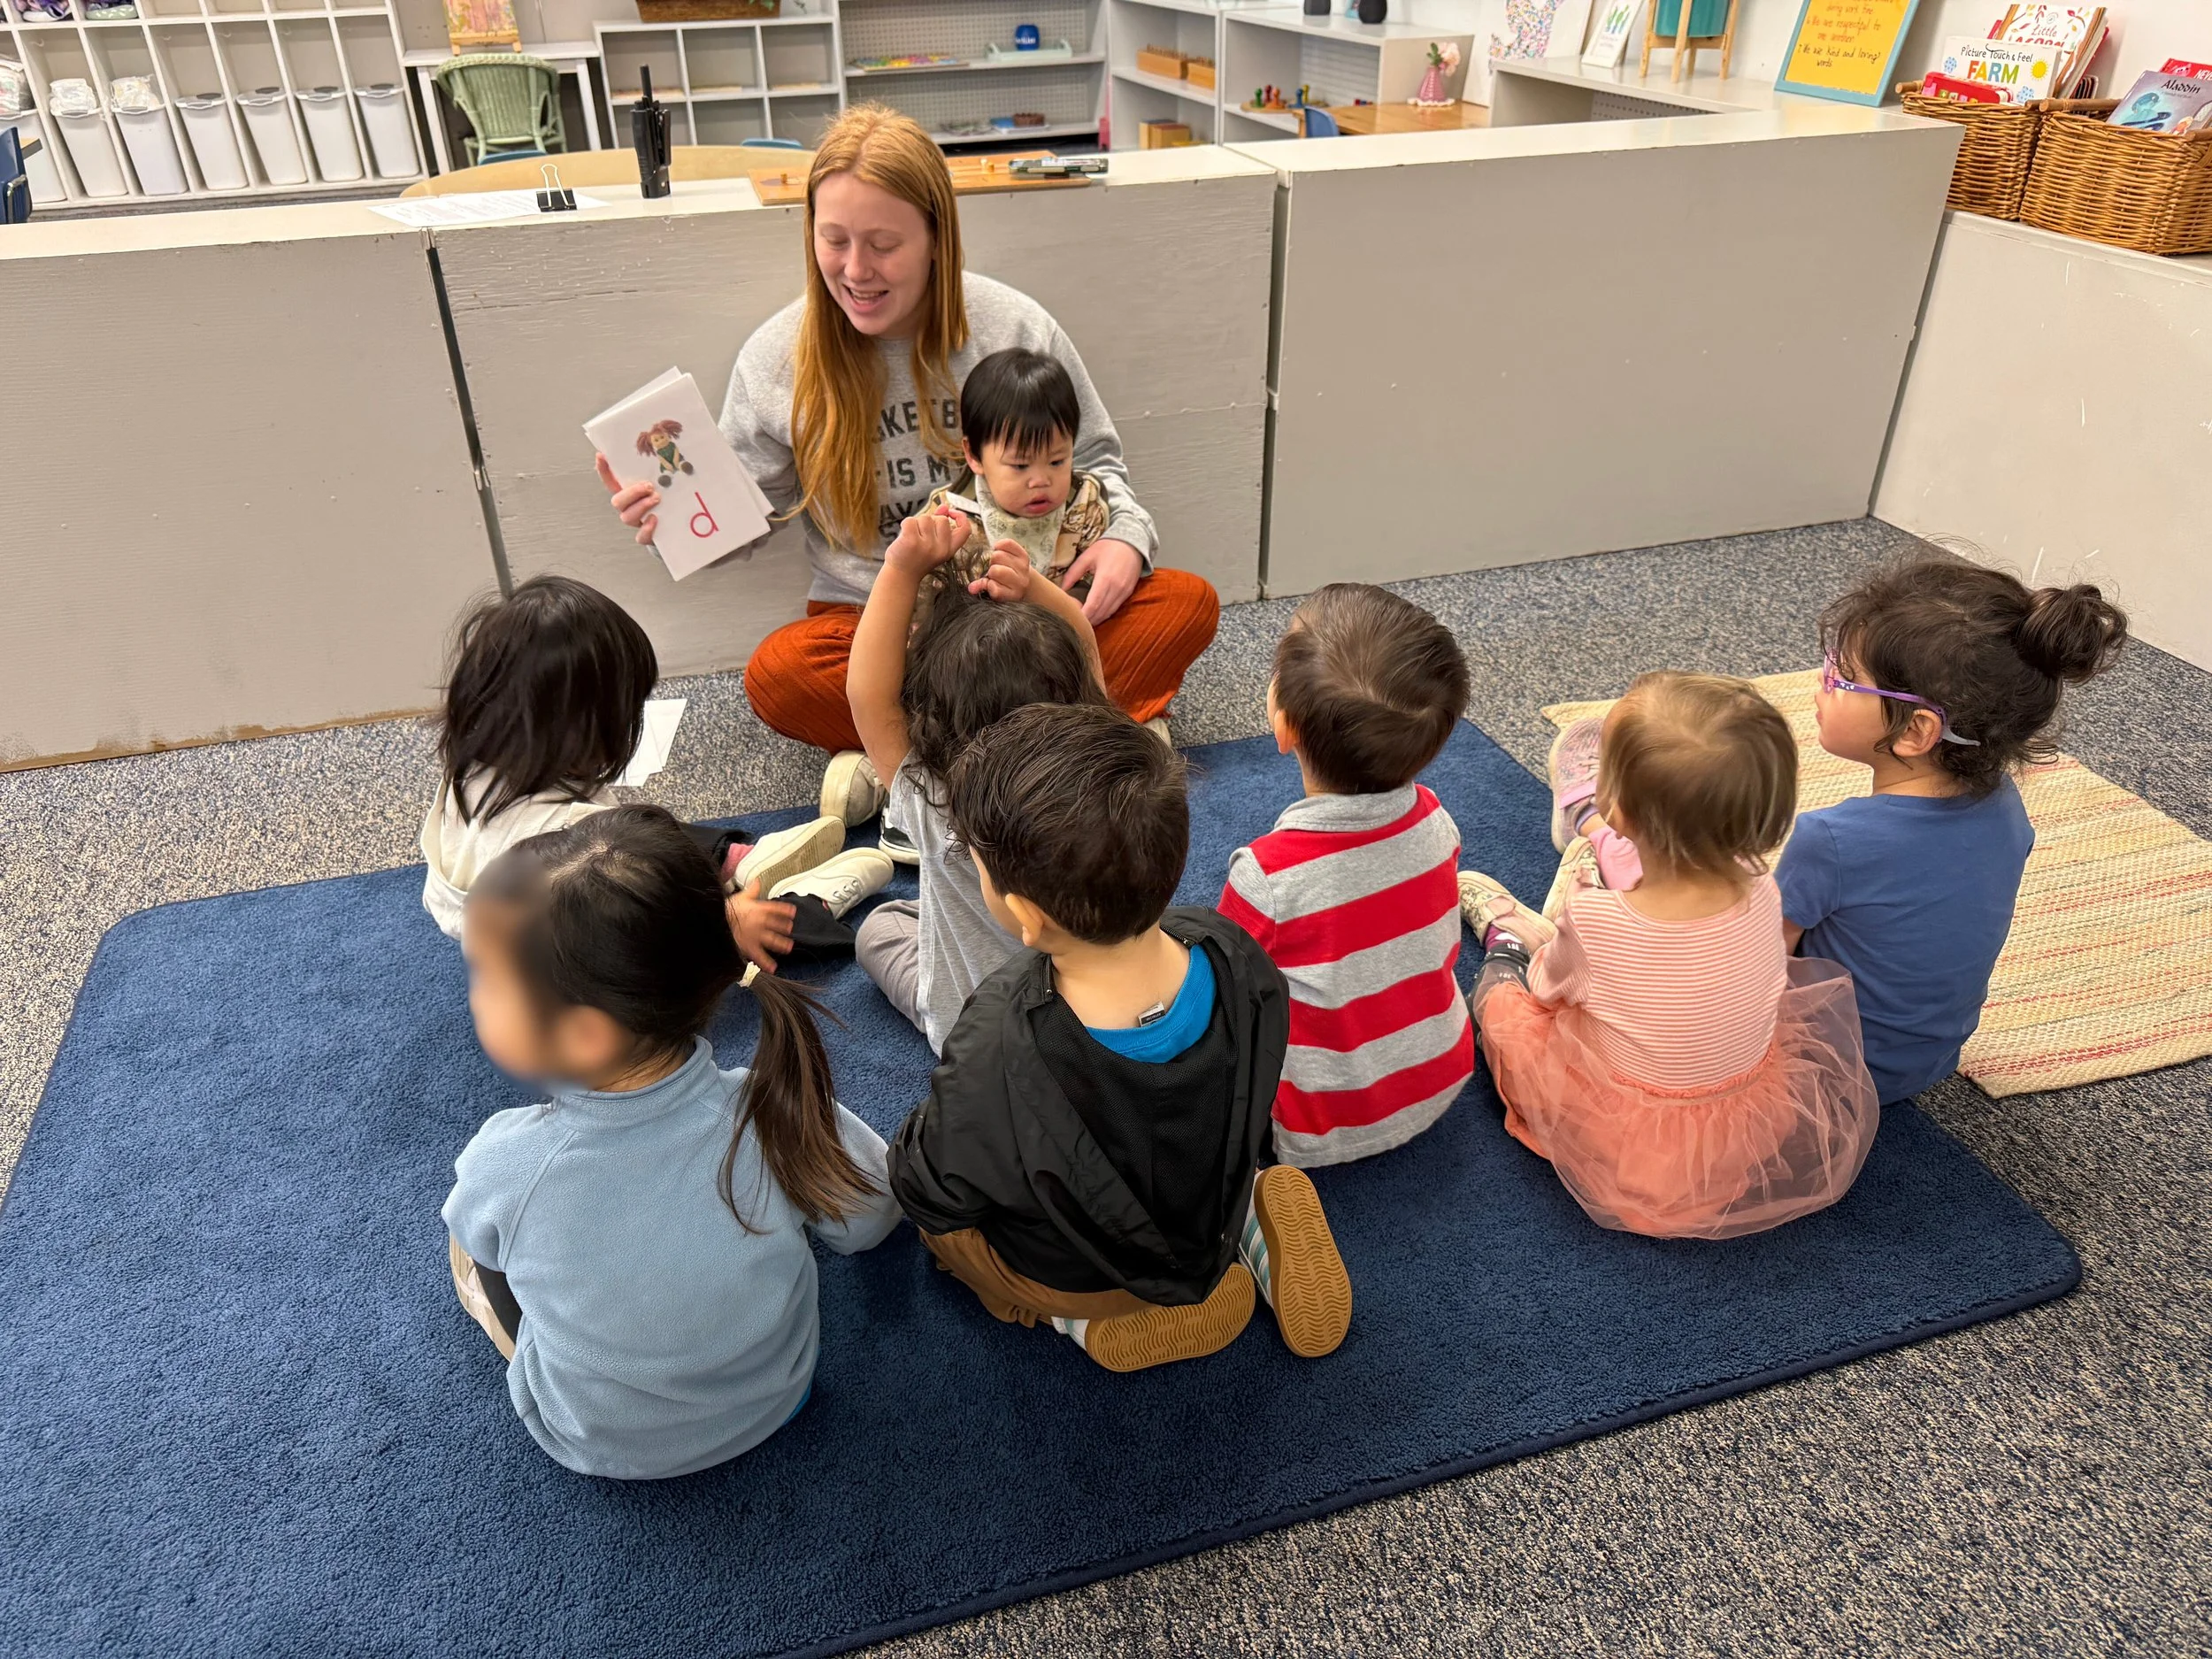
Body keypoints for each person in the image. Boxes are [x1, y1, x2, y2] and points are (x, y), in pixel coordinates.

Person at [595, 105, 1219, 845]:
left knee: (1188, 603)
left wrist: (1126, 543)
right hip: (875, 624)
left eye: (884, 245)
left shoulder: (1013, 326)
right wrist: (670, 523)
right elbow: (741, 523)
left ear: (934, 240)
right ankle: (1066, 733)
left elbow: (1102, 468)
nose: (855, 271)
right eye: (834, 241)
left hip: (1019, 611)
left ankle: (904, 759)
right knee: (778, 674)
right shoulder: (777, 359)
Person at [887, 703, 1353, 1371]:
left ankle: (1076, 1318)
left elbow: (938, 1181)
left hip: (1081, 1268)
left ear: (1024, 914)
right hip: (1204, 1202)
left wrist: (908, 1156)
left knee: (947, 1235)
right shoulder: (1234, 951)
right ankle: (1245, 1224)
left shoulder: (997, 1030)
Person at [442, 805, 902, 1479]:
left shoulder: (505, 1161)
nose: (474, 996)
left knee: (473, 1237)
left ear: (587, 1034)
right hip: (782, 1395)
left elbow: (480, 1240)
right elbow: (873, 1217)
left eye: (489, 980)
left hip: (595, 1441)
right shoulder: (772, 1105)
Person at [1463, 672, 1879, 1240]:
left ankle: (1508, 936)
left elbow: (1545, 991)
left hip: (1625, 1139)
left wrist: (1557, 950)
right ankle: (1588, 859)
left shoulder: (1597, 923)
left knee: (1509, 1006)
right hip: (1746, 1132)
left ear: (1620, 811)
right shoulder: (1764, 889)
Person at [1774, 559, 2127, 1102]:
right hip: (1925, 1061)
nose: (1821, 686)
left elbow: (1757, 967)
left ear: (1916, 731)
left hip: (1825, 1072)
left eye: (1839, 677)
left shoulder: (1832, 840)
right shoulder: (2008, 810)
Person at [1217, 584, 1475, 1167]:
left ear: (1284, 728)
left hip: (1314, 1127)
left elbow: (1226, 994)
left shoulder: (1268, 876)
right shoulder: (1437, 820)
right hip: (1442, 1077)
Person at [847, 514, 1108, 1053]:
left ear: (929, 715)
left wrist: (900, 569)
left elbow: (866, 693)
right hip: (1103, 1005)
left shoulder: (934, 797)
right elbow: (1082, 639)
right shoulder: (1113, 758)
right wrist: (1035, 586)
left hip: (977, 1034)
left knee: (880, 927)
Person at [916, 345, 1110, 603]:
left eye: (1057, 461)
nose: (1041, 481)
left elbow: (1096, 571)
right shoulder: (947, 519)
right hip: (975, 635)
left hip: (1067, 626)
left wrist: (1077, 599)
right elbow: (921, 596)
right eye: (1020, 466)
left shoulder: (1084, 502)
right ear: (974, 456)